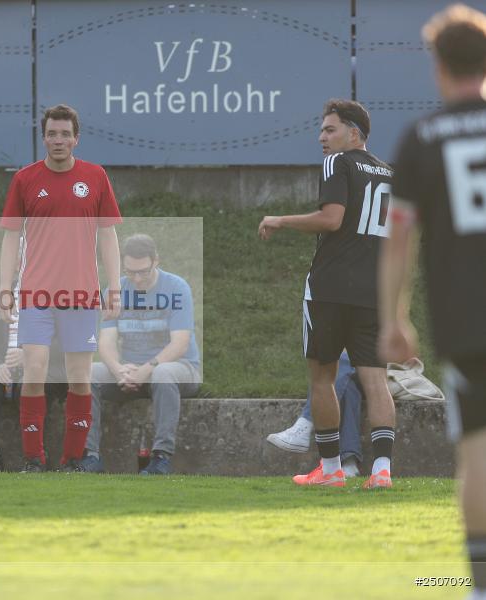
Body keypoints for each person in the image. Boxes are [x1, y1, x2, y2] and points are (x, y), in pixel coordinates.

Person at [379, 5, 486, 597]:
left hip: (468, 315)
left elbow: (399, 237)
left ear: (438, 64)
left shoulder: (421, 137)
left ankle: (480, 582)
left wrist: (395, 317)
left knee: (477, 450)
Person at [259, 99, 396, 489]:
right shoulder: (390, 173)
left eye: (330, 129)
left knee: (322, 376)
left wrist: (281, 219)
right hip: (375, 292)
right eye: (321, 130)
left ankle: (332, 469)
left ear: (354, 133)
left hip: (331, 289)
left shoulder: (338, 162)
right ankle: (382, 471)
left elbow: (332, 219)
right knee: (375, 379)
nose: (322, 137)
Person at [0, 104, 122, 472]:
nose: (58, 140)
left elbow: (108, 235)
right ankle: (34, 458)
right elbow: (10, 237)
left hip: (81, 295)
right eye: (52, 134)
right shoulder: (24, 179)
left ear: (76, 138)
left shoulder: (95, 177)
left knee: (79, 377)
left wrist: (114, 287)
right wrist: (5, 288)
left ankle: (72, 459)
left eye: (65, 134)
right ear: (43, 138)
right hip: (35, 292)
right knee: (34, 370)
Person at [83, 234, 201, 475]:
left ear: (156, 261)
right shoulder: (115, 291)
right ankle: (89, 457)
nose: (136, 278)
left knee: (163, 373)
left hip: (178, 368)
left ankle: (161, 458)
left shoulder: (177, 288)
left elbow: (179, 344)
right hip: (130, 371)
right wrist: (118, 370)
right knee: (89, 373)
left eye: (143, 271)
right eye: (130, 271)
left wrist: (145, 370)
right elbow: (106, 342)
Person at [0, 283, 67, 472]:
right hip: (7, 367)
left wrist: (30, 355)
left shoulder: (55, 294)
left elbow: (64, 342)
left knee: (28, 388)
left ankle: (35, 458)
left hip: (43, 368)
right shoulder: (2, 294)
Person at [266, 350, 363, 478]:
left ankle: (305, 423)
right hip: (366, 372)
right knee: (348, 387)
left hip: (388, 375)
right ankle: (349, 463)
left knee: (341, 360)